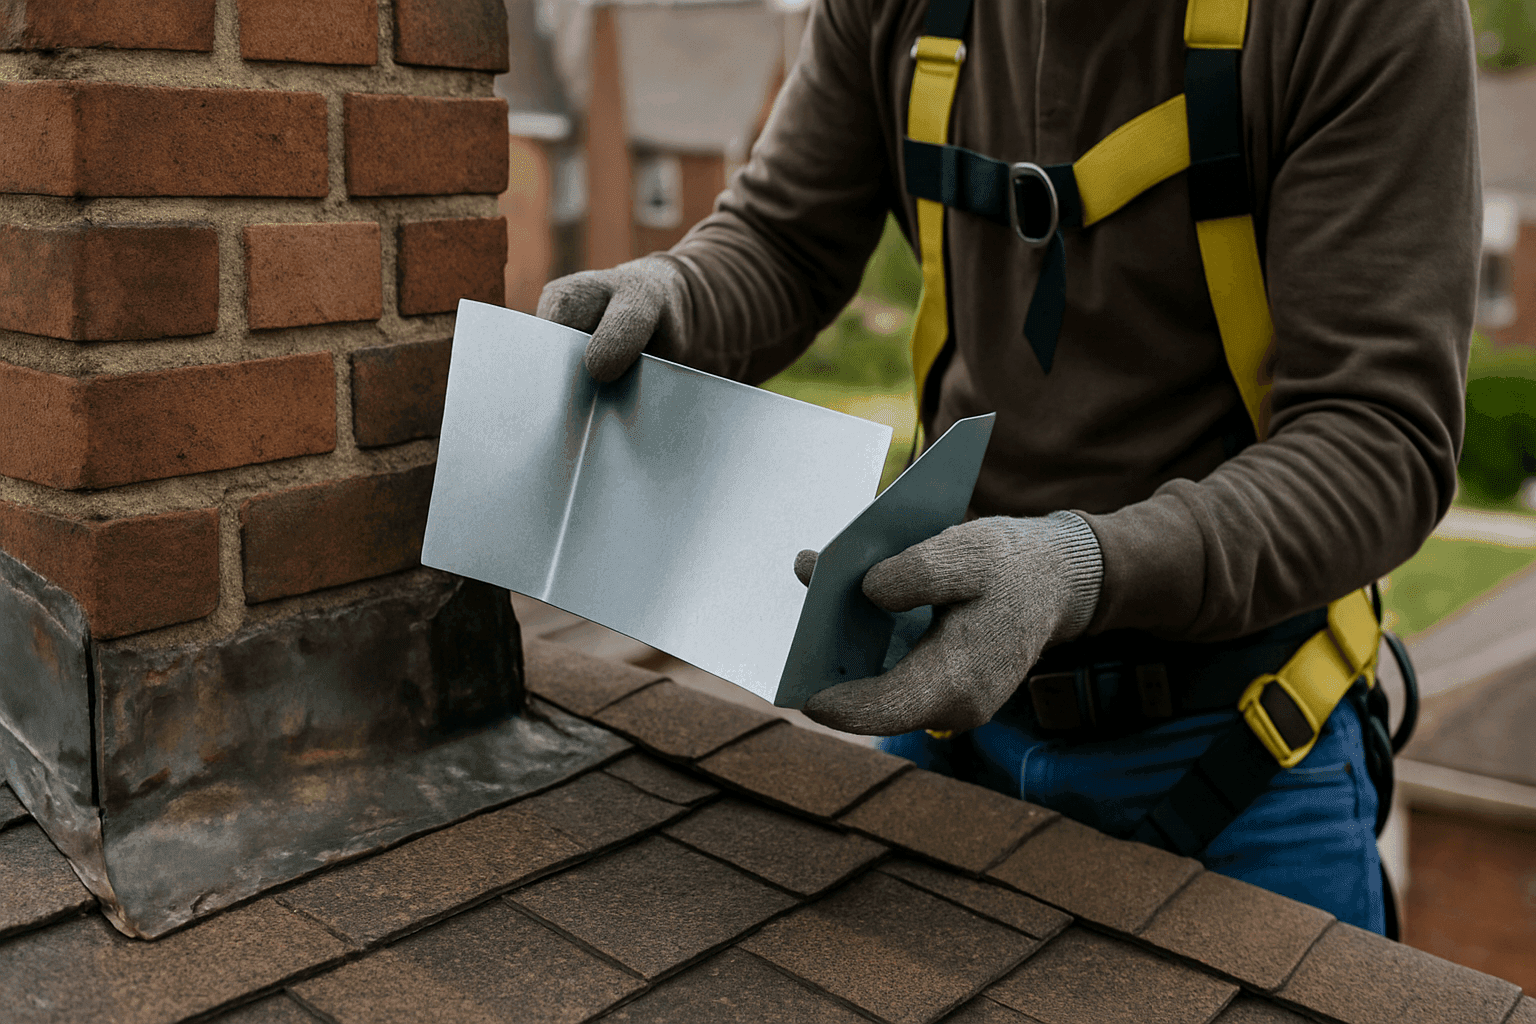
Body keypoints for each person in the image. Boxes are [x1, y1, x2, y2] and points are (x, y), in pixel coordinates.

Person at [537, 0, 1478, 935]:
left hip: (1239, 746)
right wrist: (676, 299)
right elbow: (784, 239)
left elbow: (1378, 436)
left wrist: (1078, 570)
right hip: (949, 709)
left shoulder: (1357, 17)